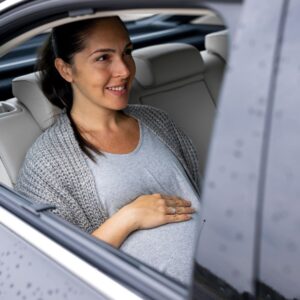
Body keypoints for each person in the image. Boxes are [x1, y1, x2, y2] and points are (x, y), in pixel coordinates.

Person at [15, 16, 201, 285]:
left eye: (127, 52)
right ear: (66, 70)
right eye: (103, 58)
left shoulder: (158, 122)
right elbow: (49, 272)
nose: (124, 70)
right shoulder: (47, 163)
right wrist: (128, 218)